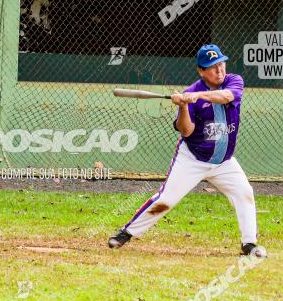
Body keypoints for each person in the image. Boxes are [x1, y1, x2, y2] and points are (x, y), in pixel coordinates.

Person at [108, 44, 265, 258]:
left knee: (245, 193)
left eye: (221, 63)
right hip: (193, 159)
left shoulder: (233, 81)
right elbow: (187, 130)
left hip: (224, 161)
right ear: (201, 71)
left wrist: (198, 95)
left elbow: (228, 96)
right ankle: (127, 233)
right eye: (212, 67)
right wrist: (183, 105)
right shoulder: (189, 94)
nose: (219, 70)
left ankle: (249, 244)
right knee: (166, 200)